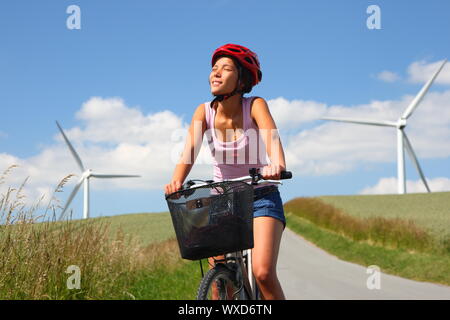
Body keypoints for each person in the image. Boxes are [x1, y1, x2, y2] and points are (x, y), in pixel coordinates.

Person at [164, 44, 287, 300]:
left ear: (242, 80)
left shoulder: (254, 106)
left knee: (262, 272)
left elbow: (272, 139)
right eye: (214, 69)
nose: (216, 73)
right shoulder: (204, 112)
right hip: (223, 200)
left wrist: (277, 165)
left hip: (261, 196)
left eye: (226, 68)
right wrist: (176, 181)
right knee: (221, 282)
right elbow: (188, 152)